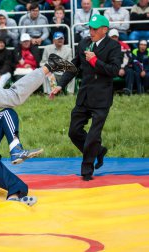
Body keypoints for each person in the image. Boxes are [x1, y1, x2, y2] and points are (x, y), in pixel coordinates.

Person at [49, 14, 122, 181]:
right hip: (84, 95)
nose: (91, 31)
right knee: (73, 132)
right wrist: (60, 85)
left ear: (105, 30)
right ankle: (99, 151)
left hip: (102, 98)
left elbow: (114, 71)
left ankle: (86, 170)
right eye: (89, 28)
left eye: (95, 29)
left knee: (92, 136)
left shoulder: (114, 46)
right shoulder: (84, 43)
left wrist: (95, 60)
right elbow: (74, 66)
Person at [108, 29, 136, 95]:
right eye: (112, 37)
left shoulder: (124, 45)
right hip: (111, 67)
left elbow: (128, 58)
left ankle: (128, 91)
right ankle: (108, 92)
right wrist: (117, 68)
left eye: (115, 37)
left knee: (130, 71)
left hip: (123, 67)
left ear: (118, 37)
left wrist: (122, 68)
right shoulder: (105, 46)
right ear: (109, 37)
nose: (114, 38)